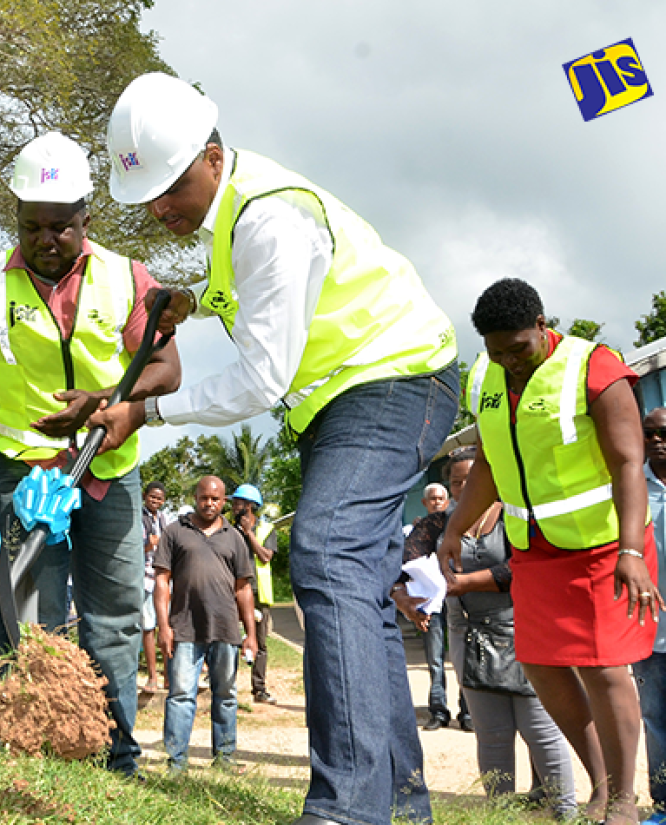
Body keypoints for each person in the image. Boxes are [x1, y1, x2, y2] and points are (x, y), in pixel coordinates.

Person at [94, 72, 458, 823]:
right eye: (148, 198)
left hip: (395, 379)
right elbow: (254, 291)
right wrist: (191, 297)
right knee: (354, 582)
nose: (160, 207)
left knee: (322, 549)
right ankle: (396, 800)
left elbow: (262, 376)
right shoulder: (234, 217)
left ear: (212, 157)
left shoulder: (269, 220)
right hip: (346, 399)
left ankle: (349, 807)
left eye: (169, 188)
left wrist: (144, 409)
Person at [0, 131, 182, 777]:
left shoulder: (127, 276)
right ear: (17, 220)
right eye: (32, 226)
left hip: (106, 467)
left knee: (113, 618)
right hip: (20, 471)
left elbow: (165, 368)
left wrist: (107, 398)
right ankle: (38, 748)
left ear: (87, 218)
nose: (46, 239)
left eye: (61, 226)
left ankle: (113, 753)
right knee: (29, 615)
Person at [440, 278, 659, 825]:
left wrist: (631, 549)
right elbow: (489, 464)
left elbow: (629, 462)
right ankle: (603, 786)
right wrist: (454, 529)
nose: (510, 360)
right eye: (497, 351)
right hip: (533, 550)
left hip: (603, 545)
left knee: (605, 669)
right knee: (540, 664)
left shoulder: (595, 368)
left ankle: (626, 801)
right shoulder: (484, 377)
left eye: (519, 347)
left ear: (542, 325)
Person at [400, 447, 575, 817]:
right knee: (491, 732)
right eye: (456, 481)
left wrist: (465, 583)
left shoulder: (518, 516)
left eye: (472, 479)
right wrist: (404, 597)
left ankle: (566, 811)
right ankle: (500, 814)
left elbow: (522, 568)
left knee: (539, 727)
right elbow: (401, 561)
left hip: (523, 632)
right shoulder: (438, 523)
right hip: (468, 638)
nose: (464, 488)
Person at [154, 476, 256, 773]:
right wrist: (164, 626)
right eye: (203, 498)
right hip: (185, 627)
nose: (209, 503)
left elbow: (243, 588)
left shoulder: (234, 537)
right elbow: (162, 581)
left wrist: (250, 633)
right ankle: (177, 761)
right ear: (195, 497)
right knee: (182, 694)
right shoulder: (175, 532)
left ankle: (224, 756)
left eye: (215, 499)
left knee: (225, 694)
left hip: (225, 628)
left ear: (224, 501)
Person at [406, 475, 470, 733]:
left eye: (441, 499)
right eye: (433, 499)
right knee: (434, 658)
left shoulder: (461, 523)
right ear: (424, 502)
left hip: (458, 599)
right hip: (431, 603)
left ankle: (467, 711)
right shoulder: (416, 530)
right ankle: (438, 710)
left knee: (462, 658)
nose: (437, 503)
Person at [639, 407, 666, 825]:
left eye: (665, 433)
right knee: (656, 722)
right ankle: (662, 806)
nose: (658, 441)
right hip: (649, 632)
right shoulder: (629, 487)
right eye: (650, 434)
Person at [229, 483, 278, 705]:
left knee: (259, 642)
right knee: (228, 638)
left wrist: (249, 534)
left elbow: (266, 556)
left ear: (250, 506)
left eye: (238, 502)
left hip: (258, 593)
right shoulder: (228, 529)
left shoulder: (267, 529)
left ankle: (259, 689)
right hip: (232, 591)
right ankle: (224, 685)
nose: (233, 506)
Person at [141, 481, 167, 694]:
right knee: (148, 626)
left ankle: (168, 675)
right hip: (145, 578)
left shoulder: (164, 519)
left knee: (166, 625)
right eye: (152, 497)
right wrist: (150, 544)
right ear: (145, 496)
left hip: (163, 578)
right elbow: (135, 549)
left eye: (159, 498)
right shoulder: (138, 518)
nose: (155, 501)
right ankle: (152, 676)